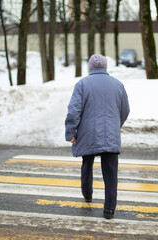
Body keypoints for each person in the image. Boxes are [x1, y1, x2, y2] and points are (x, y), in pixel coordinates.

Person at [65, 54, 130, 219]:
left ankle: (87, 194)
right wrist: (115, 125)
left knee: (87, 163)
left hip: (88, 133)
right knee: (110, 171)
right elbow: (125, 110)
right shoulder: (118, 84)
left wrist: (71, 132)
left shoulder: (82, 84)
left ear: (90, 68)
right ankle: (109, 210)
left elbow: (74, 110)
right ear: (106, 67)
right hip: (111, 134)